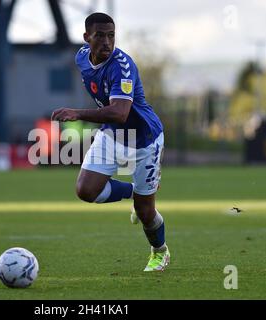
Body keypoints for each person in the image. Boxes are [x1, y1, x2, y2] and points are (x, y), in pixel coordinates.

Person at [51, 13, 169, 271]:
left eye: (111, 35)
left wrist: (77, 113)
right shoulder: (82, 58)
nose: (107, 41)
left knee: (146, 213)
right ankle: (132, 193)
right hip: (113, 134)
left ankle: (160, 251)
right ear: (86, 38)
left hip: (145, 140)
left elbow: (120, 112)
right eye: (100, 35)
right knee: (86, 191)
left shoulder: (122, 66)